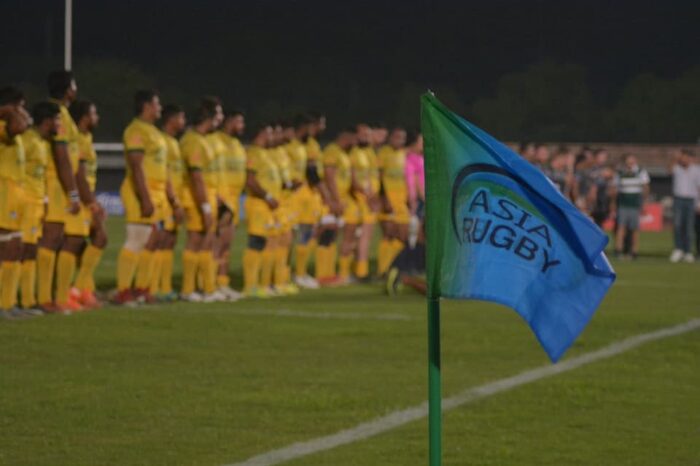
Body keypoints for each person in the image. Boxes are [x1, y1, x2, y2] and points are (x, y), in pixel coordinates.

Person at [114, 90, 167, 305]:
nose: (160, 107)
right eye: (157, 103)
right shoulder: (135, 130)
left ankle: (143, 289)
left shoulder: (153, 131)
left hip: (157, 192)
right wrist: (144, 198)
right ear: (146, 106)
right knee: (136, 239)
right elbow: (136, 166)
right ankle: (123, 291)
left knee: (151, 242)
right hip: (140, 190)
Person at [38, 71, 82, 313]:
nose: (76, 89)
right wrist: (73, 194)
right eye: (74, 85)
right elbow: (62, 156)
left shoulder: (63, 114)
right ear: (67, 89)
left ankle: (55, 297)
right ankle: (45, 299)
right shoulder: (58, 115)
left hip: (60, 183)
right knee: (51, 238)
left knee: (58, 239)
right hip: (56, 183)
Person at [179, 96, 225, 302]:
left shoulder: (204, 140)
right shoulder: (193, 141)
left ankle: (207, 288)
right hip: (196, 199)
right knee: (196, 242)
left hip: (209, 197)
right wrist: (205, 207)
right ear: (209, 116)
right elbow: (196, 178)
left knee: (207, 243)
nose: (221, 118)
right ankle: (188, 290)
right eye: (219, 114)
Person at [18, 101, 60, 316]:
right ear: (47, 121)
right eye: (57, 119)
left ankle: (27, 300)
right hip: (23, 203)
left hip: (36, 203)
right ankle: (12, 301)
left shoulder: (44, 143)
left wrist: (43, 200)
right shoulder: (27, 141)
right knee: (18, 250)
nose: (60, 124)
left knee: (30, 251)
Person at [68, 100, 107, 309]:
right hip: (82, 199)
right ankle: (75, 290)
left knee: (85, 244)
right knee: (98, 238)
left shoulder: (86, 138)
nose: (97, 117)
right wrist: (92, 203)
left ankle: (83, 291)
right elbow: (79, 175)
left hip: (86, 197)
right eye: (94, 113)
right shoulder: (77, 139)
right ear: (84, 117)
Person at [0, 87, 30, 318]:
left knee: (15, 246)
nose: (23, 111)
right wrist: (10, 110)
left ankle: (8, 303)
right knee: (7, 247)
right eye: (20, 106)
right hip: (4, 191)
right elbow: (20, 125)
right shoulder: (3, 127)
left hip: (16, 192)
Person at [152, 104, 186, 301]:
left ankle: (163, 287)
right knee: (161, 241)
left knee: (169, 243)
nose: (183, 122)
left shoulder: (173, 142)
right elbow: (165, 174)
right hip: (164, 200)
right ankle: (154, 286)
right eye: (181, 117)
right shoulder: (162, 141)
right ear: (171, 119)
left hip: (173, 199)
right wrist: (174, 201)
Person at [242, 123, 280, 297]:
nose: (274, 137)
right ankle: (250, 286)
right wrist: (267, 196)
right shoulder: (253, 153)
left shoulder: (265, 154)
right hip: (258, 204)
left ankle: (261, 284)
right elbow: (250, 180)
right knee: (256, 243)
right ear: (263, 133)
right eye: (271, 133)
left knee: (266, 244)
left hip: (268, 207)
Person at [212, 110, 246, 300]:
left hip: (234, 199)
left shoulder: (237, 145)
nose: (242, 126)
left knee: (227, 244)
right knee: (216, 244)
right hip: (220, 197)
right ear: (229, 121)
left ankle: (222, 283)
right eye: (239, 121)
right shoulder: (217, 141)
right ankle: (211, 283)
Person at [287, 114, 321, 289]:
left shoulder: (306, 146)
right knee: (288, 236)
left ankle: (300, 273)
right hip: (292, 198)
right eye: (309, 128)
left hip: (307, 197)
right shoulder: (289, 147)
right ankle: (284, 274)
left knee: (306, 234)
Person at [318, 128, 356, 285]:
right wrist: (335, 200)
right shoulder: (332, 151)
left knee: (333, 235)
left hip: (341, 200)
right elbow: (329, 176)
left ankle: (330, 274)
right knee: (327, 234)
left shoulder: (343, 153)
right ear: (346, 137)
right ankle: (322, 275)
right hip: (331, 202)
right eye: (353, 139)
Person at [376, 127, 410, 275]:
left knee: (402, 235)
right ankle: (382, 270)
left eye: (402, 138)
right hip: (388, 200)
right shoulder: (384, 153)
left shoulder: (405, 155)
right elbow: (379, 177)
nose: (399, 140)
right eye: (397, 137)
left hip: (402, 201)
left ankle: (395, 268)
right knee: (389, 233)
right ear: (390, 137)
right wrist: (384, 198)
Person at [348, 123, 379, 282]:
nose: (366, 138)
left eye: (368, 134)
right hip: (361, 200)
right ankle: (359, 272)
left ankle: (361, 270)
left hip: (369, 199)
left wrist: (375, 196)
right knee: (361, 237)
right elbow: (353, 179)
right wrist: (368, 197)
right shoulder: (354, 153)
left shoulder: (369, 152)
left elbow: (371, 176)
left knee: (365, 236)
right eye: (363, 135)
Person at [612, 154, 649, 259]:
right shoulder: (620, 172)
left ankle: (634, 251)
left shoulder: (641, 172)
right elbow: (615, 189)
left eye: (632, 161)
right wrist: (613, 203)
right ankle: (618, 250)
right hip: (623, 204)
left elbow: (645, 187)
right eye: (628, 161)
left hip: (635, 204)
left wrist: (645, 202)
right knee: (621, 227)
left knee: (634, 229)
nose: (630, 163)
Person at [669, 149, 700, 263]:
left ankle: (688, 251)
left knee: (689, 227)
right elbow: (669, 170)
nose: (684, 160)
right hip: (679, 199)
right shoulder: (677, 169)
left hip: (691, 200)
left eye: (686, 157)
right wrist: (675, 158)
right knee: (677, 225)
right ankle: (678, 249)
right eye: (682, 157)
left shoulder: (696, 170)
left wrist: (698, 203)